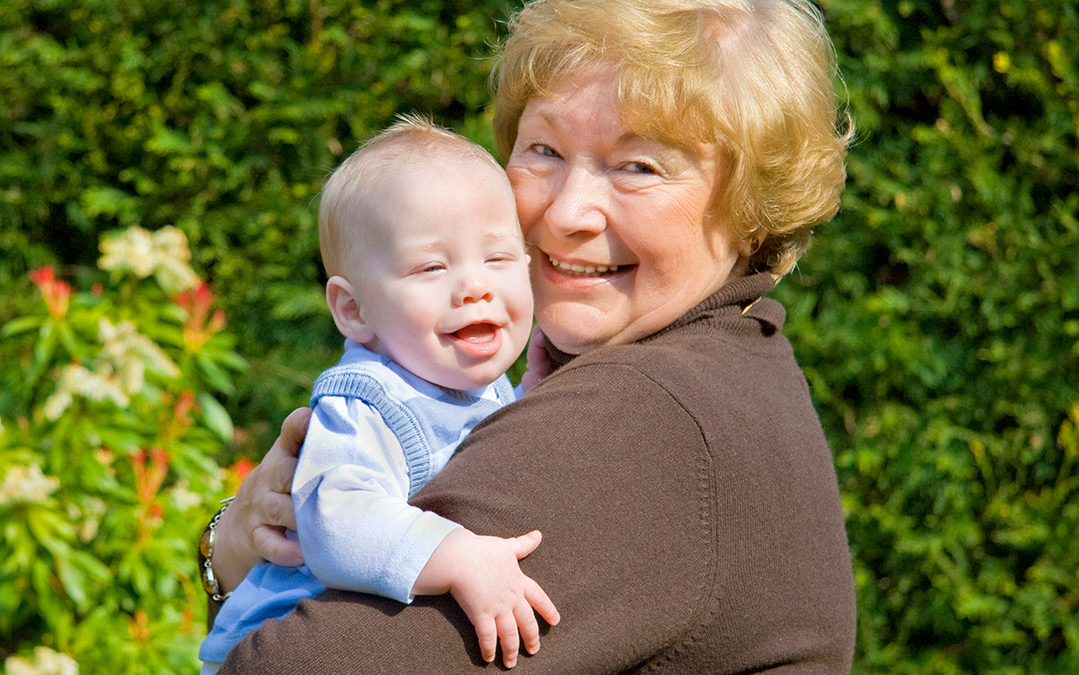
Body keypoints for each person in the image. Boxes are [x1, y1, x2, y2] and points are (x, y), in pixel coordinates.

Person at [202, 0, 858, 671]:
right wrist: (232, 546)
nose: (568, 211)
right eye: (544, 149)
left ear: (751, 211)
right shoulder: (735, 367)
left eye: (639, 167)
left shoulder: (641, 416)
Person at [198, 118, 556, 672]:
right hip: (277, 643)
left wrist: (534, 395)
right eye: (432, 266)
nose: (476, 285)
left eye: (498, 258)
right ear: (353, 310)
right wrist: (456, 557)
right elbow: (340, 522)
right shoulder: (365, 405)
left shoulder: (469, 382)